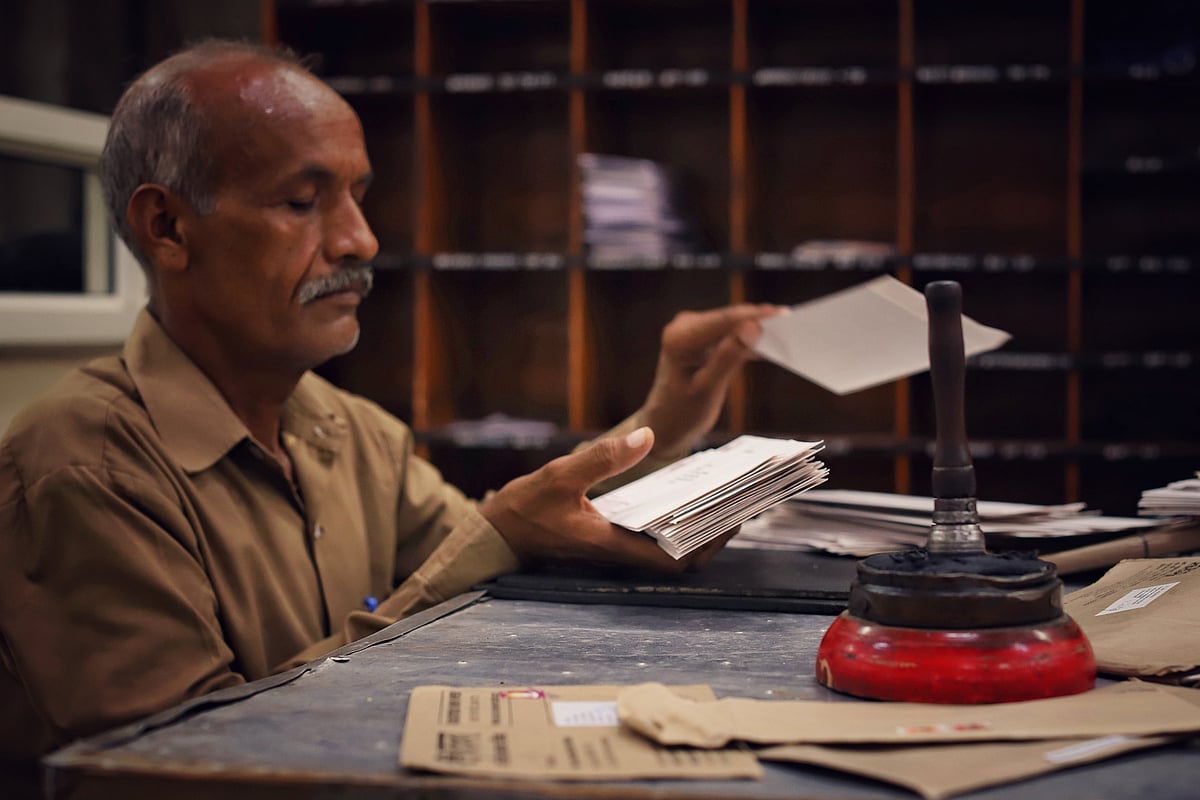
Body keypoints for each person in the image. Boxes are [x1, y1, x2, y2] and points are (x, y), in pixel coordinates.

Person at [0, 40, 776, 761]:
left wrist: (663, 428)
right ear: (167, 227)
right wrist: (498, 532)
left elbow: (508, 548)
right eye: (302, 204)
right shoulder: (84, 467)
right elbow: (183, 763)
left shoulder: (351, 430)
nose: (361, 241)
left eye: (356, 198)